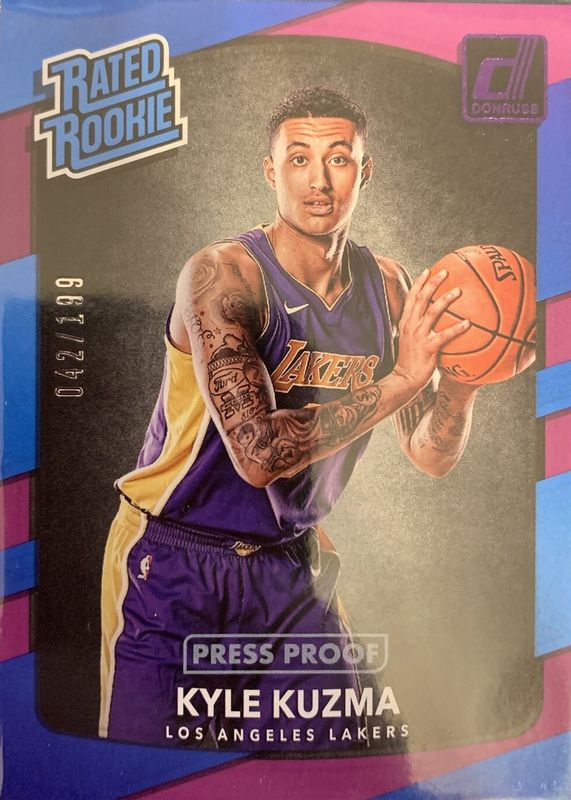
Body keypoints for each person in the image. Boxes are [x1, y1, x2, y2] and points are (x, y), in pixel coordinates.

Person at [99, 86, 478, 749]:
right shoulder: (222, 276)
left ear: (364, 171)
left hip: (289, 566)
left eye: (338, 158)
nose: (318, 180)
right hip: (173, 556)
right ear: (270, 171)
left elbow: (428, 454)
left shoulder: (389, 288)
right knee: (149, 774)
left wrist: (463, 384)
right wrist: (403, 378)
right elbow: (257, 456)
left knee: (325, 770)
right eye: (298, 158)